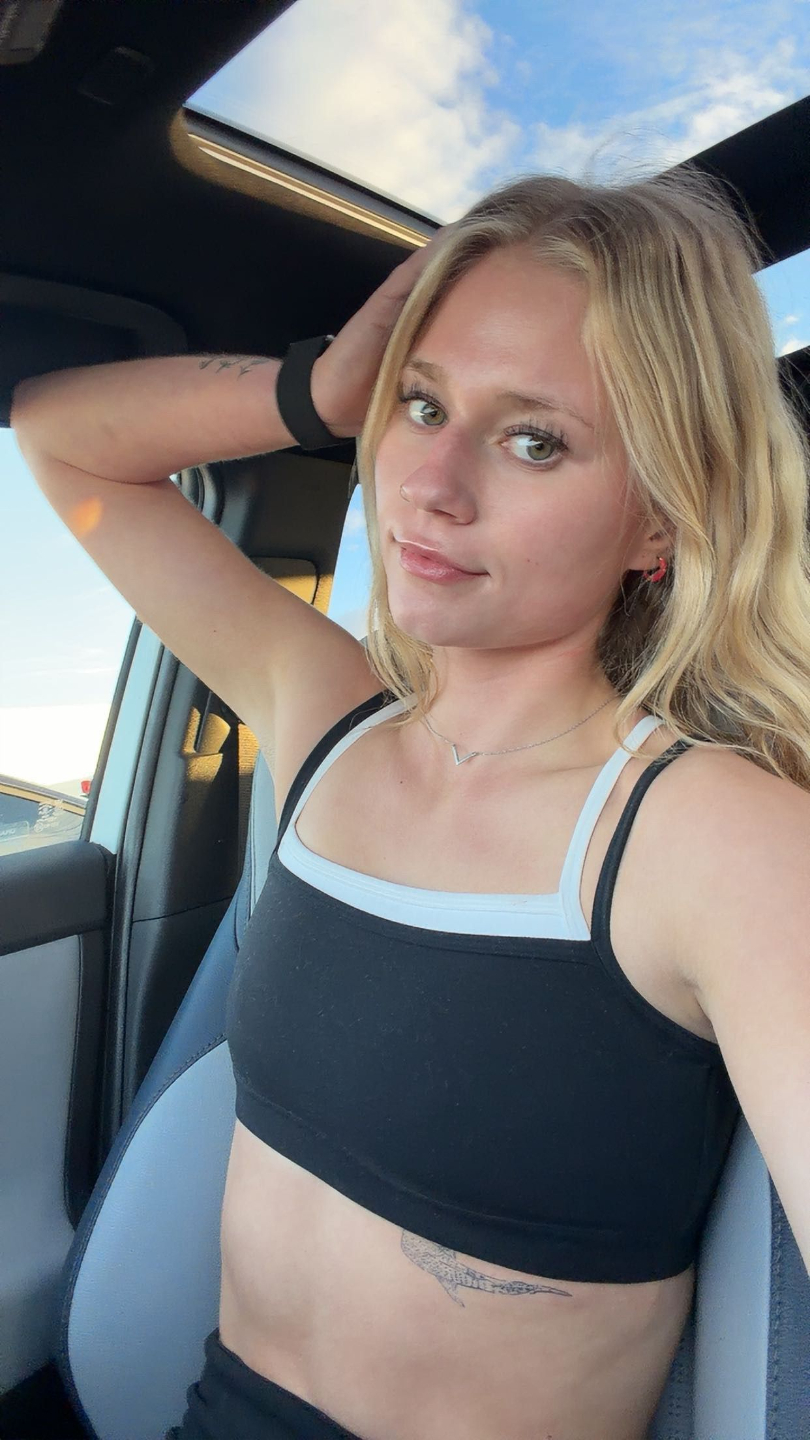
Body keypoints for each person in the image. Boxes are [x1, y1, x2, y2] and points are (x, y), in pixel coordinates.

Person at [11, 167, 810, 1440]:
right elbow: (59, 437)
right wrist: (320, 392)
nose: (431, 483)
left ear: (659, 523)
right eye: (422, 404)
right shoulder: (326, 718)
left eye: (534, 439)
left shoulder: (716, 837)